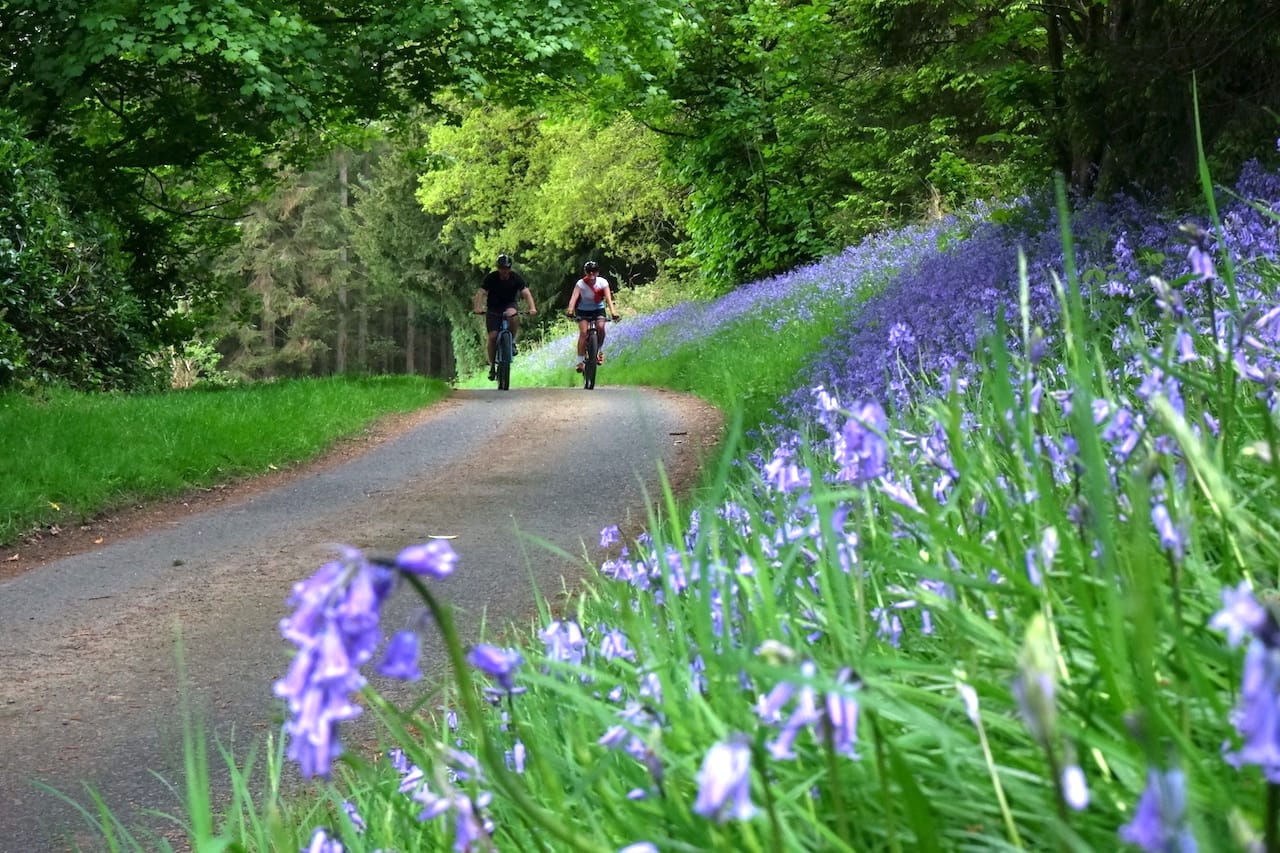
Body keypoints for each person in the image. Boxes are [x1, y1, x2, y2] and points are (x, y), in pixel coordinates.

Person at [473, 254, 537, 381]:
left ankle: (511, 341)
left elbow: (526, 292)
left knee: (513, 315)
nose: (504, 271)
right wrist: (477, 307)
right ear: (498, 268)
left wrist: (532, 308)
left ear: (510, 268)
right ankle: (492, 366)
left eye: (506, 268)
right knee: (492, 337)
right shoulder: (491, 278)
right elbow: (481, 293)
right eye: (501, 268)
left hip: (509, 305)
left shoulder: (515, 278)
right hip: (493, 308)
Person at [565, 260, 619, 372]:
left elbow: (608, 299)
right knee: (583, 333)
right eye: (589, 271)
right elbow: (574, 297)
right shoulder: (580, 284)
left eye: (594, 271)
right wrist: (570, 310)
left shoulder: (603, 282)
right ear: (585, 272)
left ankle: (598, 350)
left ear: (597, 272)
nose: (591, 273)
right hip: (583, 311)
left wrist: (613, 312)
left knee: (601, 327)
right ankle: (580, 362)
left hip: (598, 310)